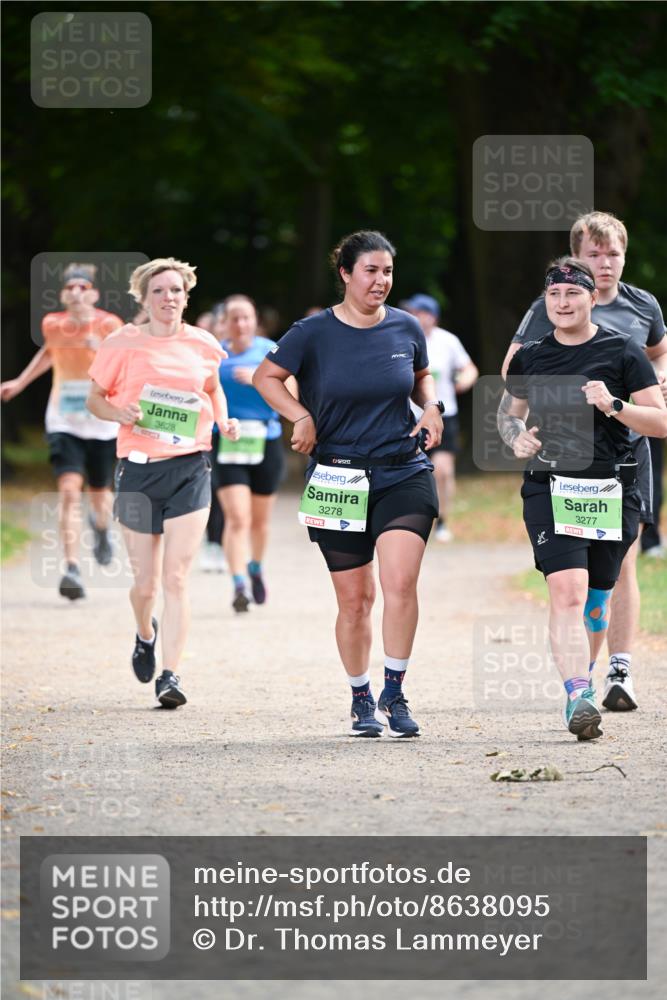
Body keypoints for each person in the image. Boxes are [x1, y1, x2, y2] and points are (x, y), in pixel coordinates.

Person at [253, 230, 443, 738]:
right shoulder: (311, 333)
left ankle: (395, 691)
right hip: (338, 474)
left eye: (387, 272)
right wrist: (299, 416)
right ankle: (361, 698)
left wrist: (431, 407)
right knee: (355, 600)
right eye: (370, 271)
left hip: (403, 468)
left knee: (400, 583)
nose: (381, 281)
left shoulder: (406, 326)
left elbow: (422, 376)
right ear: (345, 274)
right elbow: (264, 377)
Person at [501, 212, 667, 711]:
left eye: (611, 254)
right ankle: (579, 693)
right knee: (568, 591)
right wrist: (516, 438)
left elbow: (658, 370)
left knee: (605, 588)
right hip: (554, 476)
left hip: (620, 467)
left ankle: (614, 666)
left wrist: (620, 401)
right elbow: (511, 398)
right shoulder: (539, 329)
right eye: (593, 255)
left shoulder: (637, 321)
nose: (603, 263)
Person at [86, 258, 239, 708]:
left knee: (175, 578)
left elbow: (212, 389)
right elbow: (96, 398)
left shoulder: (203, 343)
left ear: (186, 296)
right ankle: (144, 632)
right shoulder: (122, 344)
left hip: (190, 466)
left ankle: (171, 675)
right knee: (146, 584)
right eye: (159, 291)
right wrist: (119, 413)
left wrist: (224, 420)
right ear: (144, 298)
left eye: (175, 290)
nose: (168, 298)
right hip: (136, 469)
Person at [0, 263, 123, 600]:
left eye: (84, 287)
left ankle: (101, 529)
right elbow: (48, 354)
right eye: (71, 288)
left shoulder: (110, 324)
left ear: (95, 295)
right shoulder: (52, 323)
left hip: (101, 422)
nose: (77, 292)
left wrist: (99, 347)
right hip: (64, 420)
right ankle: (71, 568)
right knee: (69, 490)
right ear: (63, 295)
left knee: (100, 494)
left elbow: (123, 365)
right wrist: (20, 382)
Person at [213, 295, 292, 611]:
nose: (240, 324)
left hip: (265, 440)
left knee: (259, 523)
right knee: (236, 518)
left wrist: (261, 381)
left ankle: (255, 567)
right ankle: (238, 583)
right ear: (225, 322)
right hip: (227, 440)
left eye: (246, 317)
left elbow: (294, 394)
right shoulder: (215, 354)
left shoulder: (270, 351)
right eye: (234, 318)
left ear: (254, 320)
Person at [405, 293, 478, 542]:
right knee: (410, 472)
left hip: (444, 416)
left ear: (431, 316)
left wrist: (464, 382)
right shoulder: (402, 338)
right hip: (410, 417)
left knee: (443, 471)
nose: (413, 316)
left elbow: (469, 368)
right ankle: (414, 519)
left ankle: (442, 521)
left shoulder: (448, 341)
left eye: (418, 312)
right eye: (411, 312)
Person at [199, 302, 227, 574]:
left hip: (233, 433)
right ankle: (212, 542)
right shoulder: (196, 352)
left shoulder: (239, 352)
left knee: (227, 491)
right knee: (212, 487)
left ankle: (224, 542)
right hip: (203, 433)